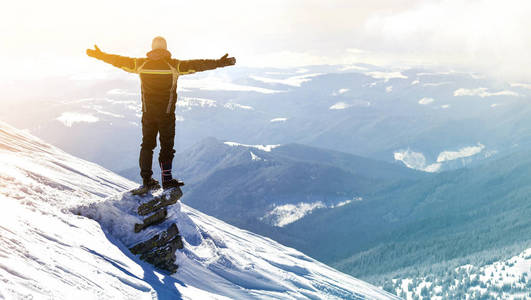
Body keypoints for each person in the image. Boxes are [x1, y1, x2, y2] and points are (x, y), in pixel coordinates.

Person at [86, 36, 236, 191]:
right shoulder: (174, 65)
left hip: (148, 113)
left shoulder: (140, 64)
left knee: (147, 145)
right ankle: (167, 180)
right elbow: (199, 65)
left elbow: (118, 60)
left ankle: (146, 180)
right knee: (167, 147)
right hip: (166, 115)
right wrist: (220, 62)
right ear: (165, 48)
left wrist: (99, 54)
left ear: (152, 48)